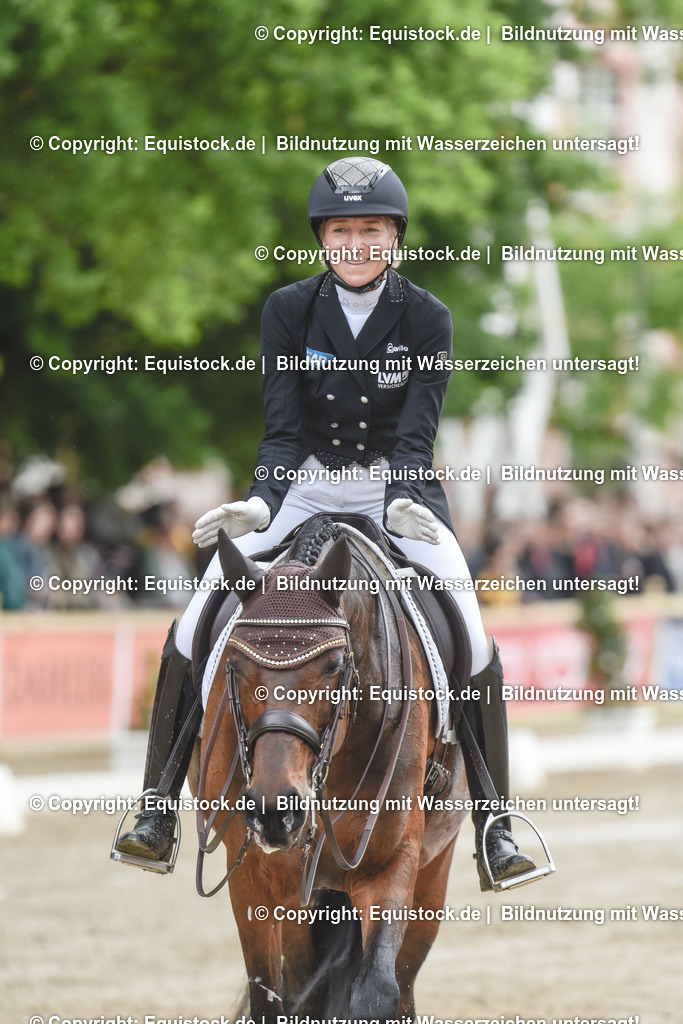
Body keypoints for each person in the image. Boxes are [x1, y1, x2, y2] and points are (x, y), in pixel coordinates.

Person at [115, 157, 545, 891]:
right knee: (192, 623)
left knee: (471, 633)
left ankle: (495, 823)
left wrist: (408, 495)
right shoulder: (287, 309)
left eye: (370, 230)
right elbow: (282, 429)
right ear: (322, 238)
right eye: (342, 230)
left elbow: (415, 435)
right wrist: (261, 503)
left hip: (394, 489)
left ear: (393, 238)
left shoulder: (427, 317)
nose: (356, 243)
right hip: (303, 484)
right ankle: (156, 808)